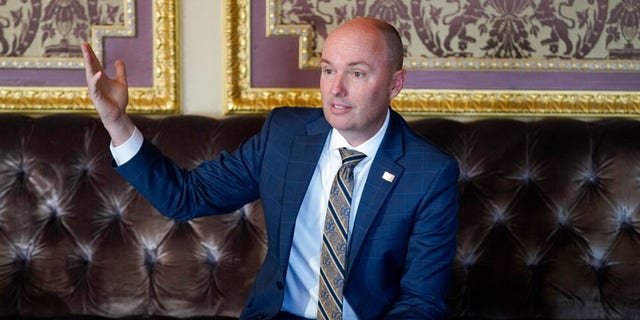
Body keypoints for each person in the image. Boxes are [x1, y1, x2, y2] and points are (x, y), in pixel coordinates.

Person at [82, 17, 459, 320]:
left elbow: (421, 302)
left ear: (396, 83)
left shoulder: (429, 174)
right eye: (328, 71)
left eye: (357, 74)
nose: (336, 89)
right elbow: (185, 196)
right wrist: (117, 122)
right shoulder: (286, 136)